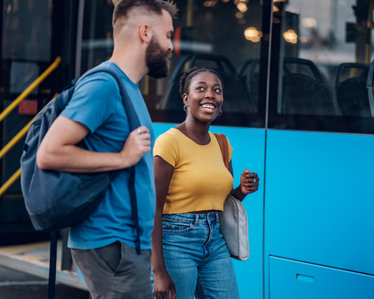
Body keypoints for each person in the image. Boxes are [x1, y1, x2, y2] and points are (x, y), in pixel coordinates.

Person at [36, 1, 177, 298]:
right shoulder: (104, 85)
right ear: (145, 32)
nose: (171, 46)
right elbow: (49, 153)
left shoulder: (127, 86)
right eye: (168, 35)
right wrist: (122, 157)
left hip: (125, 243)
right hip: (111, 243)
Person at [151, 67, 260, 299]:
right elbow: (153, 207)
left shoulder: (222, 143)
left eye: (216, 90)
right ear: (186, 98)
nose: (210, 94)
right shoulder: (169, 142)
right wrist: (158, 270)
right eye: (201, 88)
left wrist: (242, 190)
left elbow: (223, 201)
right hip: (175, 241)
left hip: (215, 241)